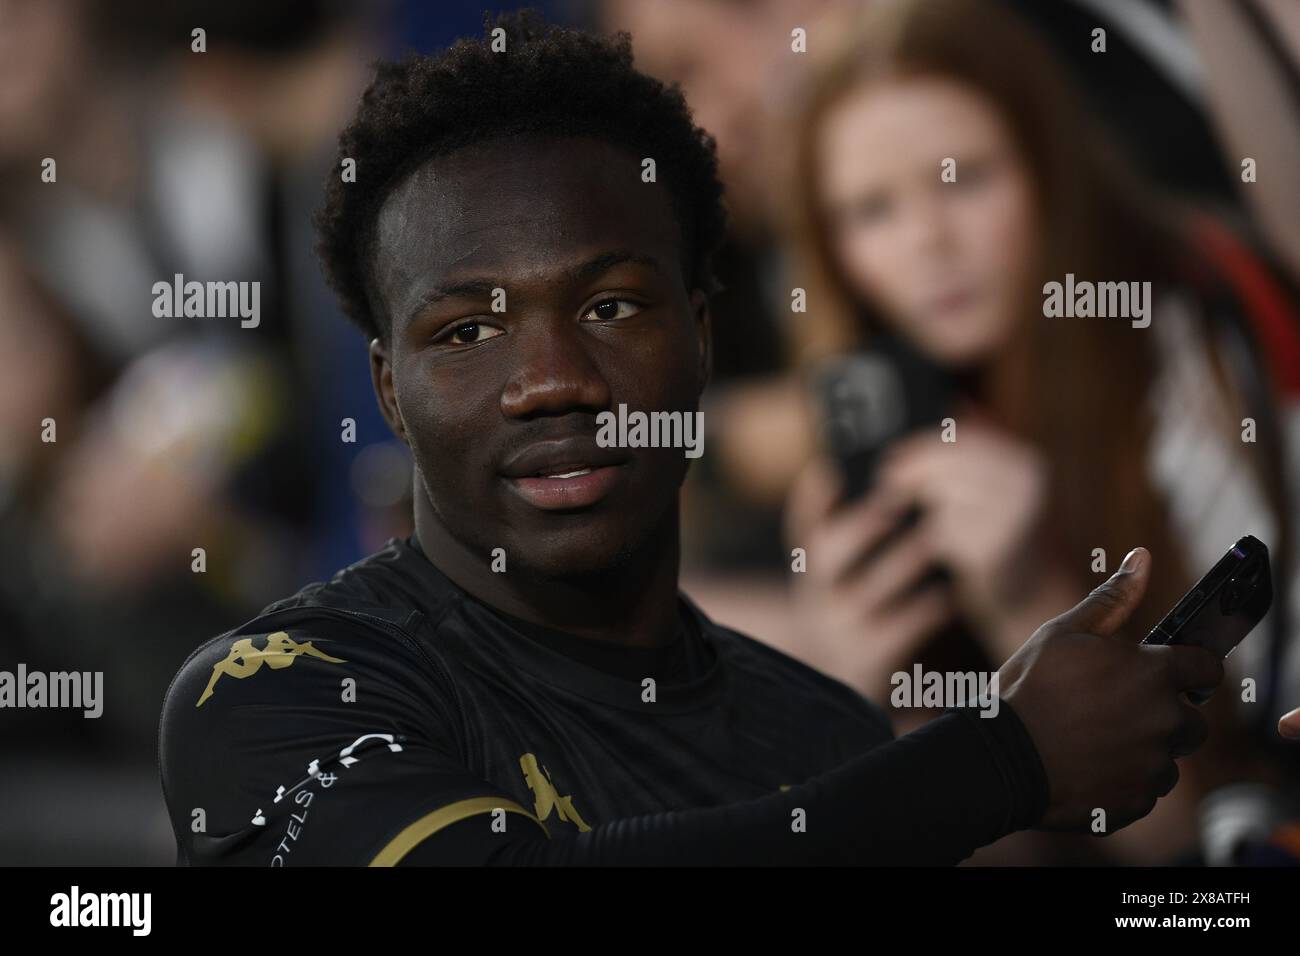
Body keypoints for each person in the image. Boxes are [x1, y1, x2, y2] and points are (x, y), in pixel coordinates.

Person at [158, 11, 1223, 866]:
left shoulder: (822, 730)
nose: (550, 381)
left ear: (702, 337)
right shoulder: (275, 687)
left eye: (612, 305)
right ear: (389, 390)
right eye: (468, 330)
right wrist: (1004, 758)